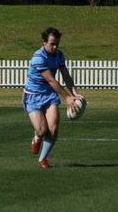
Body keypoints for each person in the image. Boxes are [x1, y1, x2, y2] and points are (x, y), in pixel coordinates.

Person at [23, 27, 82, 169]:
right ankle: (37, 137)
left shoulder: (59, 55)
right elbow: (51, 80)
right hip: (32, 97)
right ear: (44, 42)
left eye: (57, 44)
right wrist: (67, 97)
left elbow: (65, 74)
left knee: (54, 129)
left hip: (49, 95)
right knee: (43, 130)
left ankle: (43, 159)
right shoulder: (38, 57)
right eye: (52, 44)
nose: (55, 47)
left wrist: (74, 93)